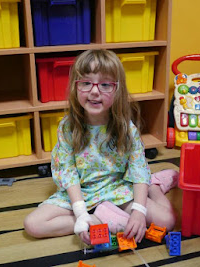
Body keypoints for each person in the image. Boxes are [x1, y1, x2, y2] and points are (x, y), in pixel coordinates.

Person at [24, 49, 178, 245]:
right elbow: (67, 171)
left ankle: (154, 187)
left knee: (168, 221)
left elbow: (138, 170)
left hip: (116, 188)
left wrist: (139, 212)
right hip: (82, 192)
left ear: (117, 89)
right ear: (75, 88)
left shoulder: (126, 129)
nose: (95, 91)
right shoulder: (67, 127)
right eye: (86, 83)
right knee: (33, 224)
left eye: (105, 84)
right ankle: (99, 218)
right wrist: (81, 214)